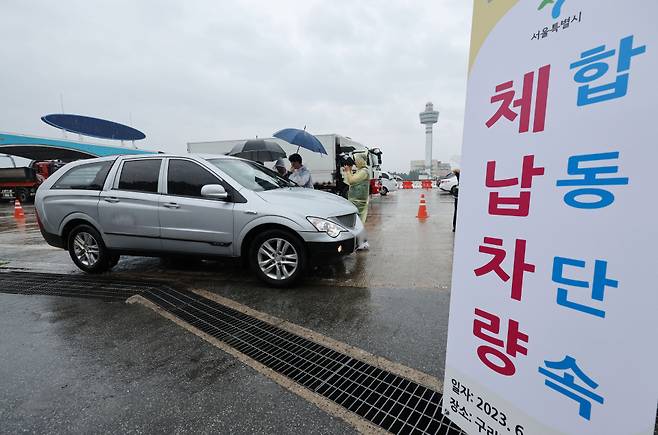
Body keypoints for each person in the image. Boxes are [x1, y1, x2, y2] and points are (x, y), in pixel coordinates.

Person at [342, 153, 370, 250]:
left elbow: (352, 181)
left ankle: (362, 243)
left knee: (359, 222)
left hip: (360, 201)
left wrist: (348, 171)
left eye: (356, 160)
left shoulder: (364, 172)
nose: (355, 162)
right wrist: (347, 172)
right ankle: (362, 242)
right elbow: (348, 181)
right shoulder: (360, 171)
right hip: (355, 200)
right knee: (358, 222)